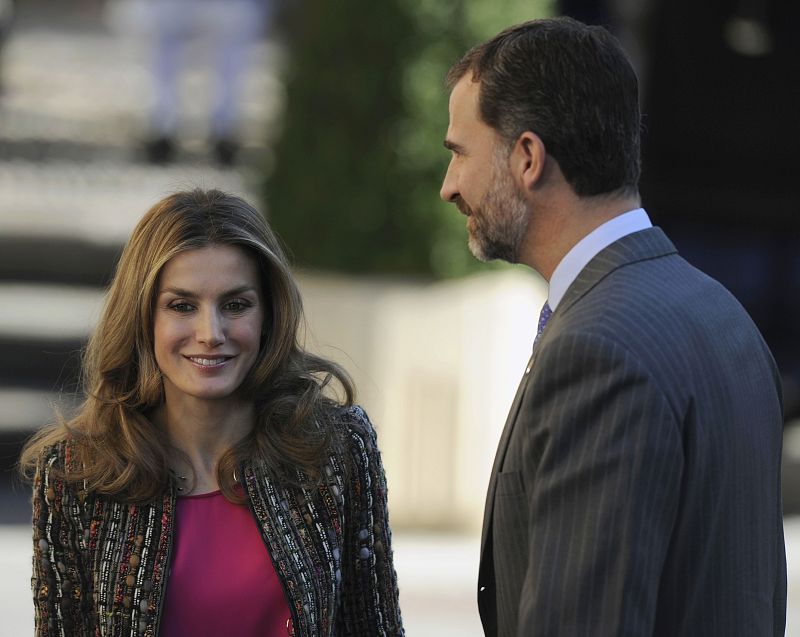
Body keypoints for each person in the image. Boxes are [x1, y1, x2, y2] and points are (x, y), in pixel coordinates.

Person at [439, 17, 785, 636]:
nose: (449, 187)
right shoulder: (721, 312)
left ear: (526, 158)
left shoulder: (599, 350)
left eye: (460, 154)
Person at [20, 188, 404, 636]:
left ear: (268, 314)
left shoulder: (335, 449)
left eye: (236, 305)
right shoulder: (77, 472)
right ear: (144, 316)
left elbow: (374, 627)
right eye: (182, 306)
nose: (210, 333)